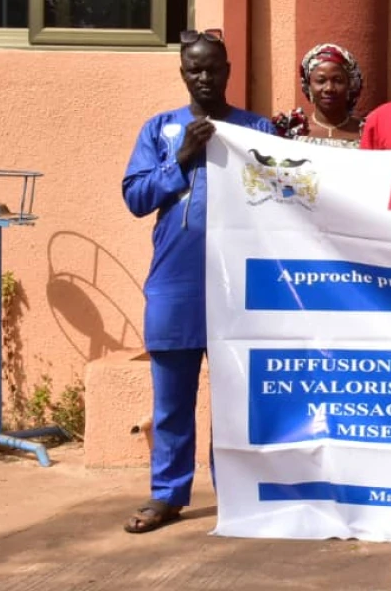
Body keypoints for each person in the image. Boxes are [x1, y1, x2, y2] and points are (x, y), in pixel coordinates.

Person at [121, 30, 276, 533]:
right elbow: (136, 198)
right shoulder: (160, 129)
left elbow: (287, 195)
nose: (205, 78)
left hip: (242, 287)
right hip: (176, 284)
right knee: (171, 401)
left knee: (237, 398)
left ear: (229, 71)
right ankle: (167, 495)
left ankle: (235, 490)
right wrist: (181, 158)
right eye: (195, 70)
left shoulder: (257, 128)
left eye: (214, 69)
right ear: (183, 73)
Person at [272, 43, 365, 148]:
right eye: (321, 81)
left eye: (338, 80)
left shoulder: (367, 131)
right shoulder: (290, 131)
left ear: (350, 85)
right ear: (308, 85)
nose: (329, 88)